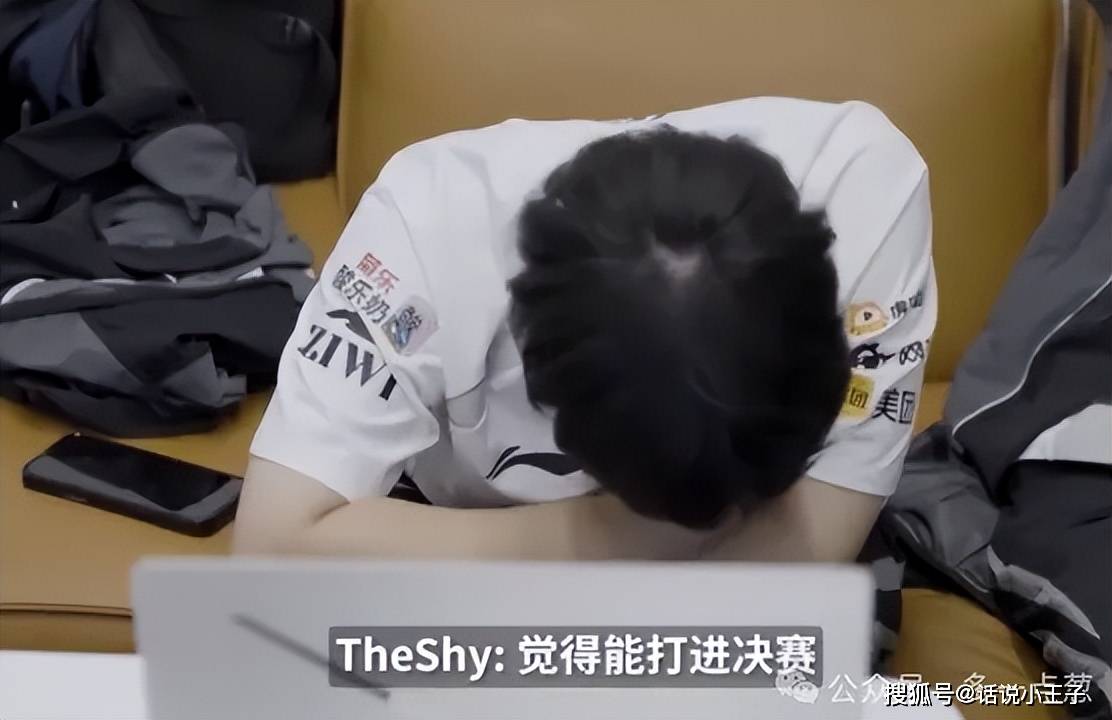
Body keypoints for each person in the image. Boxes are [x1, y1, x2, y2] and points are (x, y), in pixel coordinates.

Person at [232, 97, 936, 563]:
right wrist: (613, 537)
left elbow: (809, 550)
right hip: (484, 542)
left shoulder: (866, 190)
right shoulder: (424, 225)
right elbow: (273, 544)